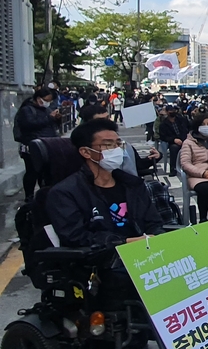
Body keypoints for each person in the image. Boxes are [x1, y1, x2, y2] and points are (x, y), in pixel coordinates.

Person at [47, 119, 165, 249]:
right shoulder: (66, 193)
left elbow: (154, 223)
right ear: (86, 152)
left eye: (118, 144)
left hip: (146, 254)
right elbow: (76, 237)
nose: (116, 150)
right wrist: (125, 243)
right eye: (108, 145)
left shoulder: (133, 184)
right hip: (101, 261)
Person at [78, 104, 162, 177]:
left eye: (107, 118)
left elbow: (136, 166)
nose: (107, 122)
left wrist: (154, 158)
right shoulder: (81, 147)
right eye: (101, 120)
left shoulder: (125, 145)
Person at [14, 88, 62, 199]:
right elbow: (30, 124)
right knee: (32, 172)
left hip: (48, 144)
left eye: (50, 101)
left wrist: (57, 119)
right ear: (38, 98)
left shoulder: (47, 109)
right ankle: (29, 196)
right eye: (46, 100)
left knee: (46, 172)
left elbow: (52, 126)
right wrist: (49, 118)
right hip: (31, 145)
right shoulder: (27, 110)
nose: (47, 103)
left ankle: (44, 195)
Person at [159, 105, 190, 177]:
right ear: (167, 112)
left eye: (173, 111)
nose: (172, 112)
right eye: (170, 111)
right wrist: (173, 139)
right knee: (174, 148)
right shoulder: (163, 124)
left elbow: (189, 127)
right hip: (173, 142)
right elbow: (163, 137)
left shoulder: (182, 120)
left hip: (185, 139)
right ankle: (173, 169)